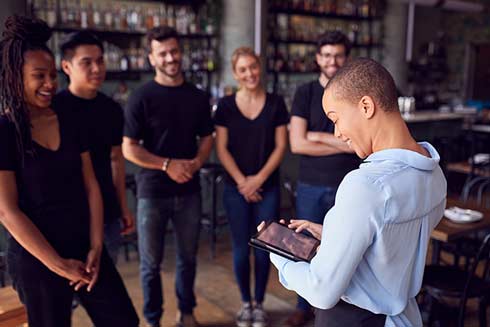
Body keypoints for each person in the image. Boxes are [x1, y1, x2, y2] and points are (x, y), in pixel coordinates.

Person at [263, 58, 447, 327]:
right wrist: (336, 235)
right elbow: (392, 245)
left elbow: (321, 291)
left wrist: (279, 255)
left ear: (366, 106)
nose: (338, 133)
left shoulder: (365, 185)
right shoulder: (434, 173)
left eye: (336, 119)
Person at [0, 15, 138, 326]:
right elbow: (7, 211)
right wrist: (59, 265)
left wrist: (96, 246)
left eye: (52, 75)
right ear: (15, 77)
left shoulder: (69, 119)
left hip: (84, 247)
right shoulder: (5, 131)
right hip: (37, 259)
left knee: (123, 320)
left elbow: (91, 187)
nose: (50, 84)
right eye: (39, 76)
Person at [122, 26, 214, 327]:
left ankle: (186, 313)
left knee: (187, 258)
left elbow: (207, 136)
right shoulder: (141, 96)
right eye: (163, 53)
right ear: (152, 58)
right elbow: (129, 149)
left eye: (174, 51)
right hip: (151, 192)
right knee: (150, 265)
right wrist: (167, 165)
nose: (170, 57)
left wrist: (197, 161)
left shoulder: (197, 97)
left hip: (189, 191)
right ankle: (153, 320)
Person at [286, 30, 360, 326]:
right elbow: (297, 144)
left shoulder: (354, 95)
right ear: (318, 58)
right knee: (305, 245)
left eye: (338, 55)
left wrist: (316, 136)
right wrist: (336, 142)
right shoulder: (305, 93)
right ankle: (303, 307)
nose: (332, 60)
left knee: (344, 246)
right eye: (327, 55)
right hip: (310, 185)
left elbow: (357, 145)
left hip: (348, 185)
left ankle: (337, 305)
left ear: (346, 58)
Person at [214, 47, 289, 327]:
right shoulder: (225, 106)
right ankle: (246, 304)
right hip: (236, 188)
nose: (249, 74)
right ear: (235, 74)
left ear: (261, 67)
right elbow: (221, 149)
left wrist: (257, 179)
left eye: (253, 67)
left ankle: (260, 305)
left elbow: (281, 146)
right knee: (240, 247)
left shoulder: (276, 103)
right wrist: (243, 182)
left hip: (267, 187)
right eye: (243, 70)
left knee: (264, 248)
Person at [54, 31, 135, 265]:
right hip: (67, 214)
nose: (97, 69)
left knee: (105, 285)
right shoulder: (54, 109)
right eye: (86, 62)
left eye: (100, 60)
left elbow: (116, 160)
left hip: (107, 213)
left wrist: (123, 207)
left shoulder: (111, 109)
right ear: (66, 67)